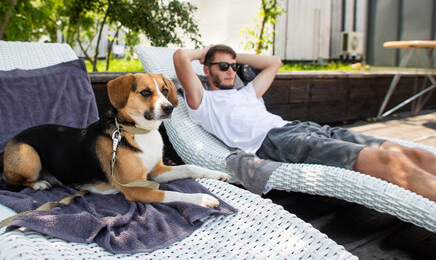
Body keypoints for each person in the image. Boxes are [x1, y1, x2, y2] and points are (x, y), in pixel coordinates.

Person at [173, 44, 436, 202]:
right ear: (206, 70)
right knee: (390, 162)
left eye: (233, 66)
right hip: (278, 142)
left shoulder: (247, 92)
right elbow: (180, 57)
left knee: (401, 151)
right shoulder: (203, 102)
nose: (230, 70)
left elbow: (274, 62)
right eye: (222, 66)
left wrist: (232, 56)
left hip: (299, 127)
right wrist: (205, 53)